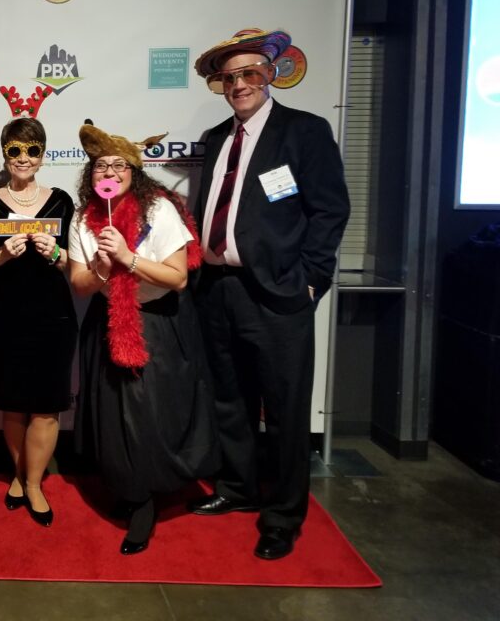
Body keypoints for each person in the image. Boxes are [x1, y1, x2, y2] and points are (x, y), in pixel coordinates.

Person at [188, 28, 350, 560]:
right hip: (217, 288)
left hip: (279, 293)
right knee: (229, 400)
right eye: (230, 77)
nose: (240, 84)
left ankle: (282, 515)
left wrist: (312, 278)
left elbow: (330, 210)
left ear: (271, 74)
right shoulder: (215, 139)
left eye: (250, 73)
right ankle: (236, 488)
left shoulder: (304, 132)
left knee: (283, 408)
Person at [68, 123, 219, 555]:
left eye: (118, 165)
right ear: (91, 175)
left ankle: (148, 497)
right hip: (106, 319)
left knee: (148, 412)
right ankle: (131, 490)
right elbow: (80, 284)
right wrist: (102, 263)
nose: (109, 172)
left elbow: (177, 279)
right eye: (101, 166)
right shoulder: (83, 217)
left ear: (134, 172)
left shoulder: (159, 211)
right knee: (113, 413)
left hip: (155, 321)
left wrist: (128, 258)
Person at [0, 111, 77, 528]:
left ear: (43, 155)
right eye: (15, 150)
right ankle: (20, 475)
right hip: (3, 316)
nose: (23, 157)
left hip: (53, 315)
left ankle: (33, 484)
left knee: (46, 408)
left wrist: (56, 252)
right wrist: (1, 255)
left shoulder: (62, 201)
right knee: (12, 406)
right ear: (5, 154)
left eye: (32, 150)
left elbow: (75, 261)